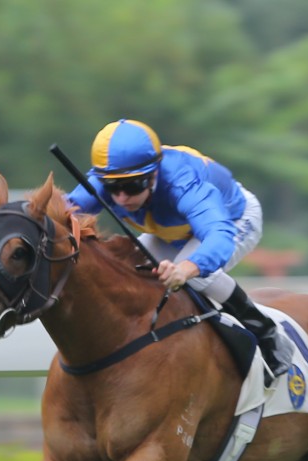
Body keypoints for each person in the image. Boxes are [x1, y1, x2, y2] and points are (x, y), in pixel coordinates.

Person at [66, 118, 293, 386]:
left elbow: (218, 235)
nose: (122, 197)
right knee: (130, 266)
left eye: (133, 186)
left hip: (232, 220)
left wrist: (186, 268)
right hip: (172, 231)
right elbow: (62, 211)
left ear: (154, 176)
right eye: (113, 187)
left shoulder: (182, 181)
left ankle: (266, 333)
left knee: (195, 276)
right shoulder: (104, 181)